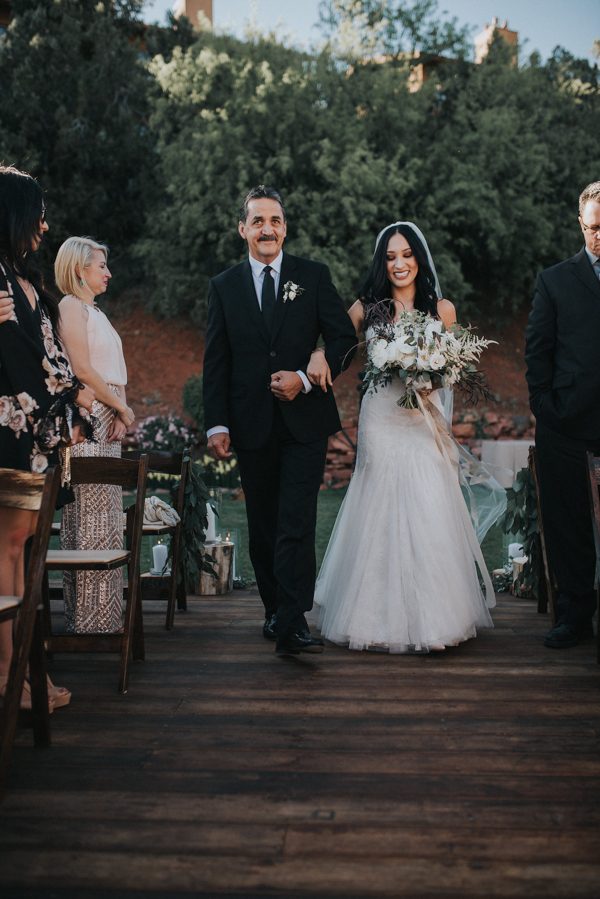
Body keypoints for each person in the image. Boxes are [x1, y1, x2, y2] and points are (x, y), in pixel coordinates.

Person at [311, 222, 501, 652]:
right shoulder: (369, 307)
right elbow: (336, 336)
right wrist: (319, 352)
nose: (399, 264)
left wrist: (427, 376)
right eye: (391, 257)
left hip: (422, 420)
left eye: (407, 255)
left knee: (428, 502)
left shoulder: (443, 310)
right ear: (383, 263)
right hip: (382, 418)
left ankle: (436, 620)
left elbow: (451, 373)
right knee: (379, 502)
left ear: (420, 258)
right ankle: (373, 620)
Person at [203, 185, 356, 656]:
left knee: (297, 520)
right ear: (243, 229)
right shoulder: (223, 286)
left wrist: (307, 376)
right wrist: (217, 424)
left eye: (275, 221)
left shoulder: (312, 275)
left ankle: (293, 620)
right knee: (263, 523)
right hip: (250, 424)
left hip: (303, 423)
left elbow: (344, 340)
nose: (267, 229)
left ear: (285, 228)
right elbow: (217, 361)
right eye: (258, 221)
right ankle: (273, 608)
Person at [0, 165, 95, 709]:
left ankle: (29, 676)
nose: (44, 223)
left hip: (39, 441)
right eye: (37, 212)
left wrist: (75, 407)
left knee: (26, 555)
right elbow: (21, 367)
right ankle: (11, 679)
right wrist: (65, 408)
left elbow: (50, 361)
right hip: (13, 438)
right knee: (10, 552)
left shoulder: (26, 280)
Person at [525, 182, 600, 649]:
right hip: (567, 424)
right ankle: (574, 616)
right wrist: (546, 409)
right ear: (580, 224)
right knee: (568, 522)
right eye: (594, 228)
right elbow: (538, 353)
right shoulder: (554, 280)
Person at [54, 237, 134, 633]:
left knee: (106, 518)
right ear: (78, 269)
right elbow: (83, 370)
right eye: (101, 265)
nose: (108, 273)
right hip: (91, 417)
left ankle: (106, 617)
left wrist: (122, 403)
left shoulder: (95, 311)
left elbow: (113, 369)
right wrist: (119, 406)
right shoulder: (70, 306)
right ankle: (88, 621)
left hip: (109, 417)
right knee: (88, 516)